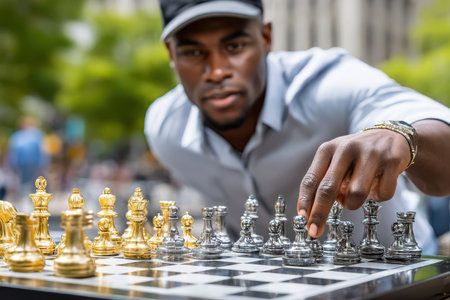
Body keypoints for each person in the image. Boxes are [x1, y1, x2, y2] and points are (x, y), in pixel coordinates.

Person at [145, 0, 450, 249]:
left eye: (235, 46)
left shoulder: (332, 84)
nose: (217, 71)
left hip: (396, 278)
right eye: (193, 52)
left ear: (265, 38)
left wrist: (400, 135)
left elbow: (440, 156)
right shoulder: (165, 131)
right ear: (172, 54)